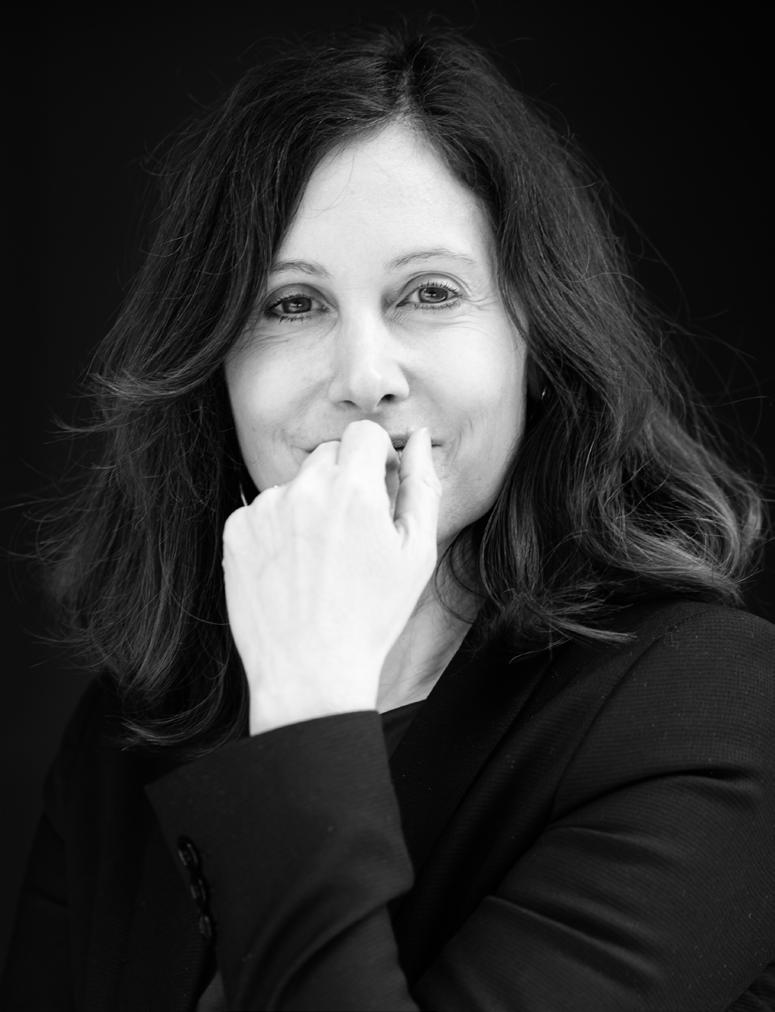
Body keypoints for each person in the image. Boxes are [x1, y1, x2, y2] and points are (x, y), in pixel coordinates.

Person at [3, 21, 774, 1012]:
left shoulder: (715, 710)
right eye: (291, 304)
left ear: (537, 344)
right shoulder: (132, 726)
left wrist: (308, 703)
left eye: (429, 293)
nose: (364, 377)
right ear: (214, 370)